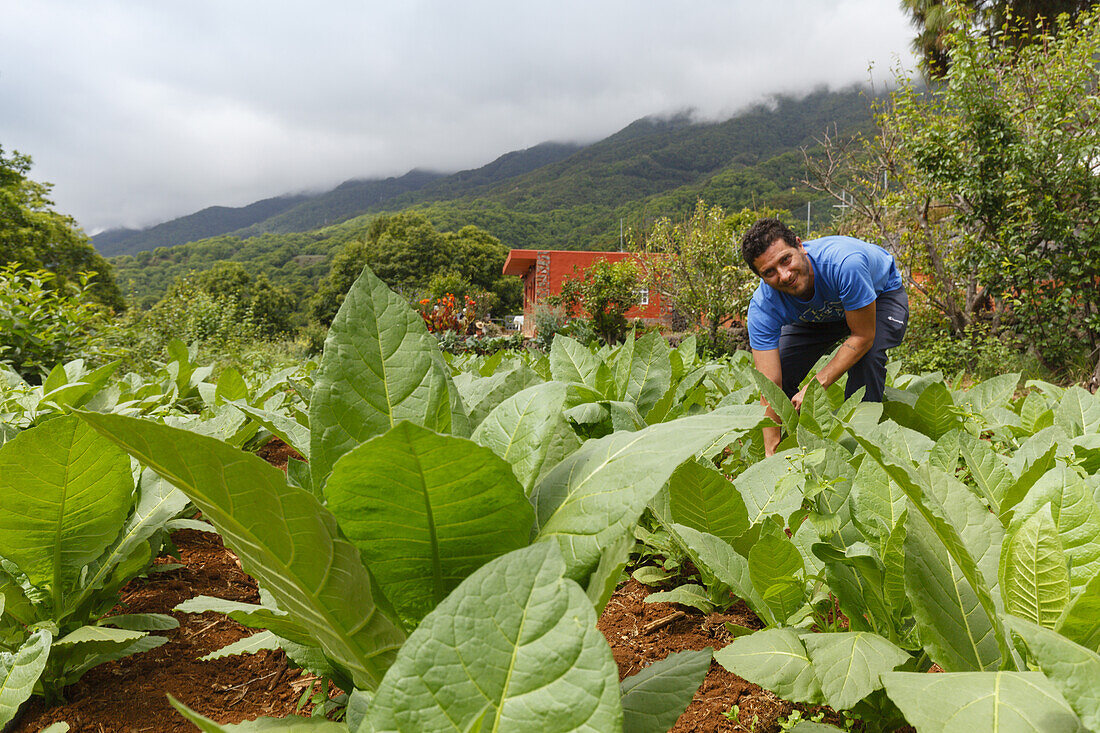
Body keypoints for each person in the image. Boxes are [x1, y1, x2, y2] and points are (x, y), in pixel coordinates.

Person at [740, 218, 908, 455]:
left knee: (866, 357)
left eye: (785, 259)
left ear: (800, 245)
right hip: (818, 316)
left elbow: (862, 336)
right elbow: (770, 388)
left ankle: (863, 448)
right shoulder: (763, 307)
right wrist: (771, 452)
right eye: (770, 272)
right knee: (783, 369)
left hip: (879, 297)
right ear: (761, 276)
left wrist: (815, 385)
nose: (785, 275)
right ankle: (796, 452)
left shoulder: (845, 264)